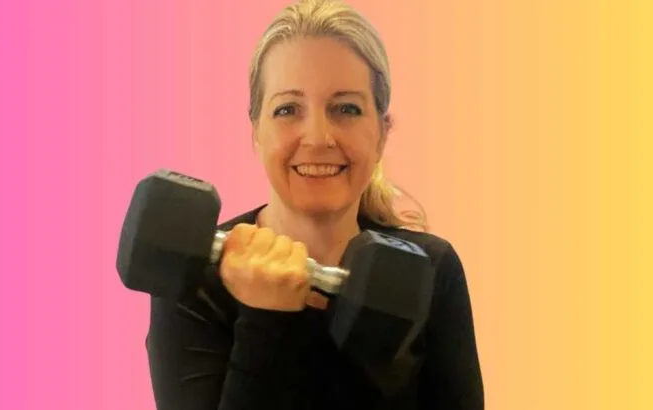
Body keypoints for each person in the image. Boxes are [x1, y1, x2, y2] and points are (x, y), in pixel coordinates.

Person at [145, 0, 484, 408]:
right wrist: (266, 316)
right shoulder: (196, 280)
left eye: (346, 109)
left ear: (382, 133)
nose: (319, 136)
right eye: (288, 109)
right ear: (257, 131)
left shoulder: (432, 270)